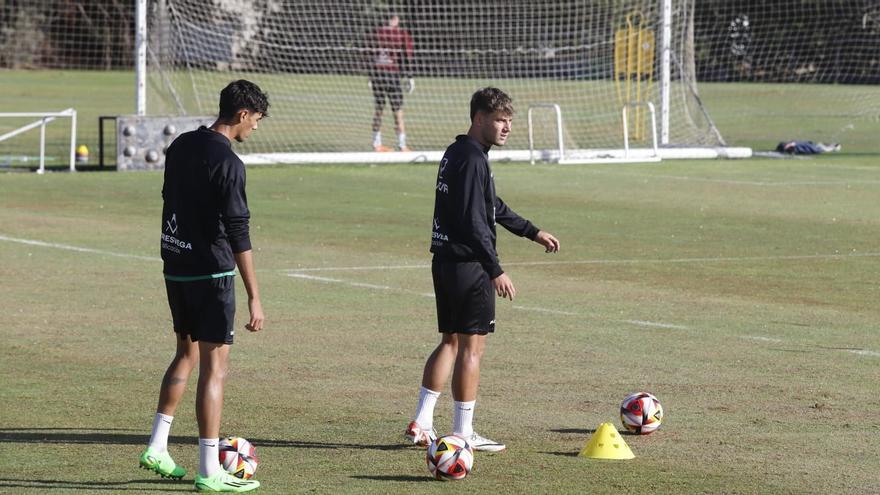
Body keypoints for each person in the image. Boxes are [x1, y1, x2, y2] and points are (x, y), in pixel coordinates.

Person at [405, 87, 561, 452]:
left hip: (444, 261)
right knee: (472, 349)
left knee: (451, 341)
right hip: (470, 266)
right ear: (479, 119)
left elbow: (491, 205)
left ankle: (422, 422)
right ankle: (462, 433)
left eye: (509, 121)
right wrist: (495, 269)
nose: (506, 127)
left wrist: (531, 231)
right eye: (500, 120)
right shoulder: (474, 159)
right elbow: (477, 222)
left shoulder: (456, 151)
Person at [139, 79, 268, 493]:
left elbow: (167, 197)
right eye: (256, 120)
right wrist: (254, 295)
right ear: (243, 114)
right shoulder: (229, 163)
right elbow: (238, 233)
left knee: (185, 354)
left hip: (175, 267)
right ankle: (209, 470)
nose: (255, 129)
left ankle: (158, 446)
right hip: (211, 275)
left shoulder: (180, 145)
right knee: (215, 369)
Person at [368, 13, 414, 152]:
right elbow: (407, 54)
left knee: (378, 110)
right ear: (395, 19)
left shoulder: (376, 33)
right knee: (398, 112)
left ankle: (377, 144)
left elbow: (368, 54)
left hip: (377, 76)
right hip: (392, 76)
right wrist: (409, 76)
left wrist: (370, 76)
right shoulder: (400, 34)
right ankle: (402, 145)